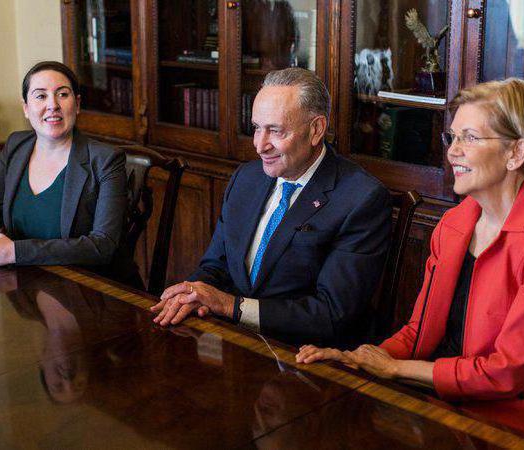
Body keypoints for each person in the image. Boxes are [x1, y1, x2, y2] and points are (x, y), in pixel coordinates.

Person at [296, 78, 524, 445]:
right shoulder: (454, 224)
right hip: (436, 408)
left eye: (470, 137)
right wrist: (360, 358)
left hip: (511, 428)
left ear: (516, 153)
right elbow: (420, 332)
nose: (452, 152)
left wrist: (394, 368)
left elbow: (507, 373)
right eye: (453, 137)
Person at [152, 68, 392, 348]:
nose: (259, 145)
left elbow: (331, 314)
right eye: (256, 128)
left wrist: (231, 306)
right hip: (233, 341)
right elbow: (215, 266)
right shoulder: (246, 178)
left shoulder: (361, 198)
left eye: (275, 131)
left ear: (316, 129)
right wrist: (191, 295)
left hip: (306, 355)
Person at [0, 61, 137, 283]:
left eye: (62, 95)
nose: (52, 105)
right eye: (40, 96)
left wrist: (14, 252)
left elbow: (102, 245)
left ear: (77, 104)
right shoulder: (16, 146)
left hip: (91, 290)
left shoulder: (105, 159)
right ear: (26, 108)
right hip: (23, 284)